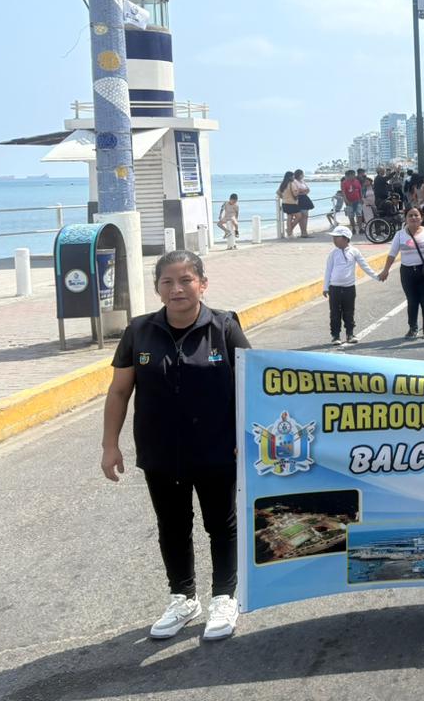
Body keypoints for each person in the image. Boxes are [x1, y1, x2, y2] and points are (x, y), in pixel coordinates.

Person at [100, 250, 250, 641]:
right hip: (161, 452)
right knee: (172, 526)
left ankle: (224, 597)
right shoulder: (139, 331)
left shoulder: (225, 327)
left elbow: (252, 386)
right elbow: (119, 391)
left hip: (217, 449)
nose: (177, 289)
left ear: (203, 284)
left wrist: (247, 439)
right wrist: (109, 445)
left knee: (222, 525)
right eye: (167, 282)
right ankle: (183, 598)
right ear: (157, 288)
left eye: (186, 280)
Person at [380, 207, 424, 340]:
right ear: (405, 219)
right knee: (412, 301)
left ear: (421, 218)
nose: (413, 218)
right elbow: (392, 254)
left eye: (416, 215)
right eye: (410, 215)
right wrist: (385, 270)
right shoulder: (399, 235)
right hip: (407, 272)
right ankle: (413, 328)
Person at [323, 225, 380, 345]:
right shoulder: (333, 253)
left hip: (349, 288)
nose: (334, 240)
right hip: (334, 288)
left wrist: (377, 276)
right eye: (333, 238)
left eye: (336, 237)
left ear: (345, 238)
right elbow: (328, 270)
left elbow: (364, 265)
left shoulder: (354, 252)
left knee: (349, 311)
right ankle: (335, 336)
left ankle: (350, 334)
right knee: (335, 313)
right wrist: (325, 287)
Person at [277, 171, 300, 238]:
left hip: (285, 203)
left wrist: (283, 197)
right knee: (299, 216)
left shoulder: (283, 184)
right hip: (292, 203)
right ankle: (289, 230)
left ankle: (289, 233)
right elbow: (295, 193)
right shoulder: (291, 184)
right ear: (290, 177)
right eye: (293, 176)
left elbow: (278, 192)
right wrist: (298, 192)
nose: (294, 177)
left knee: (289, 217)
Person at [290, 169, 312, 237]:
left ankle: (304, 232)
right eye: (302, 174)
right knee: (302, 216)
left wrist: (303, 191)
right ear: (299, 175)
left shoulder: (302, 181)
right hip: (299, 199)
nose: (303, 175)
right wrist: (302, 191)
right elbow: (297, 191)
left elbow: (307, 189)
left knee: (305, 216)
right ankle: (303, 232)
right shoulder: (294, 181)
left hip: (304, 198)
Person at [341, 169, 363, 235]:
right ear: (349, 175)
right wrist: (346, 201)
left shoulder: (357, 181)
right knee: (351, 216)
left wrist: (361, 198)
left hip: (358, 201)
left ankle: (360, 228)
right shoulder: (344, 183)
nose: (354, 176)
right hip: (349, 202)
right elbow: (343, 192)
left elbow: (360, 190)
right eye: (353, 175)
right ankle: (353, 229)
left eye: (354, 174)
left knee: (359, 215)